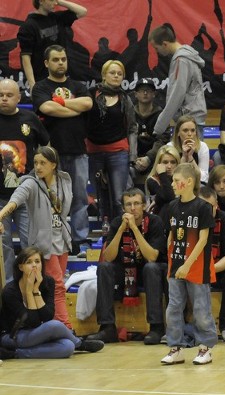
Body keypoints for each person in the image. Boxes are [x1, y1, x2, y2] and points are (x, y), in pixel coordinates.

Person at [0, 146, 72, 329]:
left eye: (43, 163)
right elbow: (16, 199)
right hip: (43, 243)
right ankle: (65, 326)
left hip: (62, 239)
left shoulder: (64, 180)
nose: (38, 167)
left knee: (56, 286)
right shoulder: (30, 183)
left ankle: (55, 326)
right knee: (58, 284)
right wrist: (1, 215)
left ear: (53, 165)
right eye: (35, 163)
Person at [31, 45, 92, 257]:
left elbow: (87, 103)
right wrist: (72, 109)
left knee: (79, 198)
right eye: (56, 59)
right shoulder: (39, 87)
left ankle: (80, 241)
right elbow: (47, 108)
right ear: (47, 63)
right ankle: (54, 243)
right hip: (50, 155)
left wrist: (61, 102)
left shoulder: (78, 85)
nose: (60, 63)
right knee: (51, 200)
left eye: (63, 59)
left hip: (78, 150)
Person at [86, 188, 168, 345]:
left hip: (149, 273)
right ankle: (107, 327)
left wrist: (135, 229)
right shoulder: (117, 223)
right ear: (123, 208)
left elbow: (152, 257)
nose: (133, 208)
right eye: (128, 204)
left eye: (137, 203)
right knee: (104, 267)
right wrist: (121, 230)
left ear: (144, 206)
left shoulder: (155, 221)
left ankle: (157, 327)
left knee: (151, 268)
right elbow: (108, 256)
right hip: (125, 271)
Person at [0, 247, 103, 359]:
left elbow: (48, 316)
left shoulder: (48, 282)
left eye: (37, 261)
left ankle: (16, 353)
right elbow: (32, 322)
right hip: (13, 336)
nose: (34, 265)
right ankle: (80, 344)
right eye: (29, 262)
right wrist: (29, 292)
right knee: (55, 325)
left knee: (67, 347)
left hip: (37, 333)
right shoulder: (10, 291)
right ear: (21, 267)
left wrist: (35, 290)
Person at [161, 163, 217, 365]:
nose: (174, 184)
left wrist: (187, 264)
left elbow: (202, 240)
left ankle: (205, 348)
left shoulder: (203, 207)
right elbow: (172, 233)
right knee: (173, 308)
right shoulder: (172, 207)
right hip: (175, 265)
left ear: (189, 182)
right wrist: (173, 257)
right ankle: (176, 348)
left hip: (196, 266)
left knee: (201, 309)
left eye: (177, 181)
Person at [0, 79, 49, 283]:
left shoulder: (30, 119)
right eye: (1, 95)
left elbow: (46, 147)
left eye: (9, 95)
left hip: (26, 196)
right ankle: (9, 286)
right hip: (0, 198)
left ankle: (32, 283)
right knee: (3, 244)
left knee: (30, 243)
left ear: (19, 98)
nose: (4, 98)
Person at [86, 60, 137, 220]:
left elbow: (132, 127)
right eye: (112, 72)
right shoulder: (91, 94)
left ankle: (120, 232)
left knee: (118, 198)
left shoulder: (125, 99)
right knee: (99, 198)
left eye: (119, 73)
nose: (116, 76)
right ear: (104, 75)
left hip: (118, 153)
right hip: (94, 152)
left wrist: (132, 156)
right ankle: (106, 231)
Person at [198, 186, 225, 344]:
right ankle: (180, 326)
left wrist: (209, 270)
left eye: (211, 207)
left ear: (217, 205)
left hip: (219, 269)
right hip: (193, 268)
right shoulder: (188, 223)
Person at [148, 24, 206, 138]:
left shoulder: (182, 60)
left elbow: (177, 94)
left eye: (156, 48)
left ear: (164, 44)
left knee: (191, 155)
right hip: (191, 118)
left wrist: (159, 127)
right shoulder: (187, 57)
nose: (156, 51)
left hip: (188, 121)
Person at [17, 0, 87, 90]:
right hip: (41, 80)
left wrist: (60, 1)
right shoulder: (28, 26)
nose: (55, 3)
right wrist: (32, 85)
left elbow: (82, 11)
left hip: (61, 78)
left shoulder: (57, 17)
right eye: (52, 0)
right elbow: (26, 58)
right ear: (41, 1)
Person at [133, 77, 170, 177]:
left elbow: (163, 140)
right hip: (133, 160)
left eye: (148, 90)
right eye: (142, 90)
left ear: (154, 94)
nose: (145, 93)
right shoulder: (129, 114)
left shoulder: (161, 115)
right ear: (135, 94)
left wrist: (148, 158)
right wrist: (133, 159)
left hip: (155, 159)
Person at [167, 115, 211, 183]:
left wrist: (190, 157)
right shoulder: (170, 147)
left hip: (197, 184)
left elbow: (203, 177)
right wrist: (184, 156)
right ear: (178, 132)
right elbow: (172, 176)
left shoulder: (202, 147)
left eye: (193, 130)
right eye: (185, 130)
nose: (190, 134)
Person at [146, 145, 179, 221]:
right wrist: (162, 174)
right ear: (158, 164)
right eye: (165, 162)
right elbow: (169, 198)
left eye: (173, 162)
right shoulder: (152, 180)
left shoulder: (181, 179)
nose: (169, 166)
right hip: (159, 218)